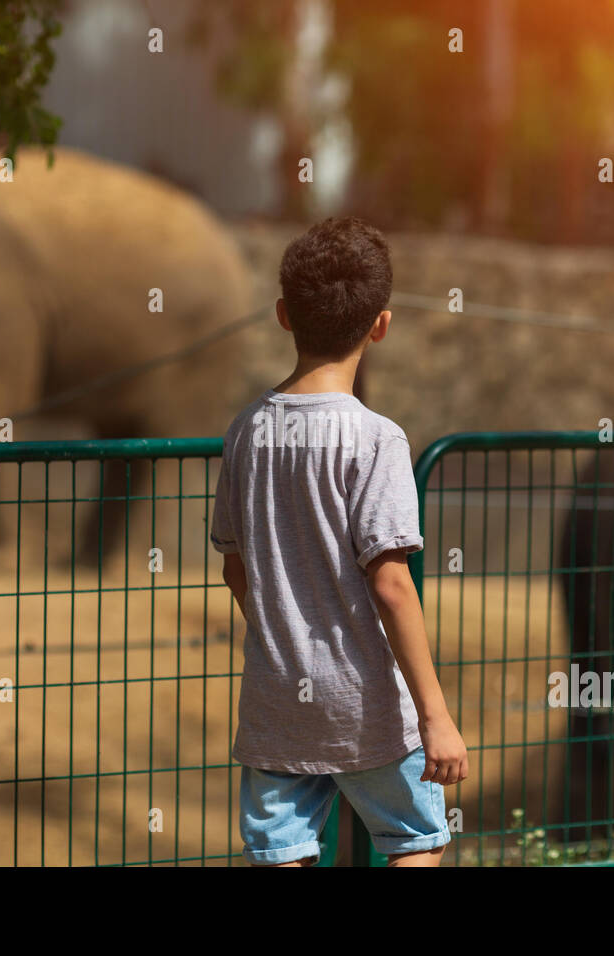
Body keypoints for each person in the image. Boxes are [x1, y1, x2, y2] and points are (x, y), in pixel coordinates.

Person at [210, 216, 469, 867]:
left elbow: (237, 573)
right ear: (380, 323)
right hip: (368, 706)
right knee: (415, 839)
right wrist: (435, 716)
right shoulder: (376, 439)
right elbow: (390, 583)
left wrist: (284, 641)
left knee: (283, 850)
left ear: (282, 315)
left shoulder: (245, 431)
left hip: (276, 704)